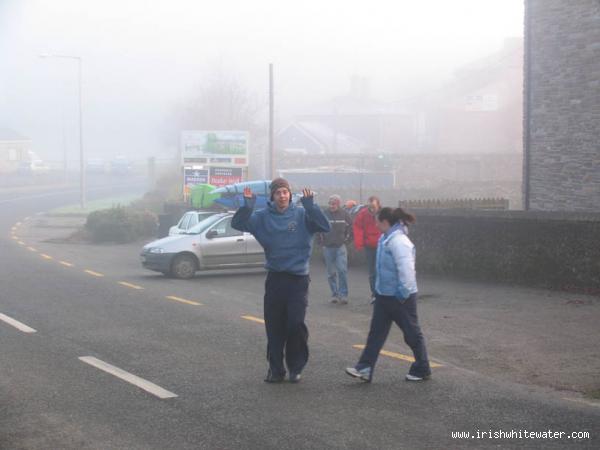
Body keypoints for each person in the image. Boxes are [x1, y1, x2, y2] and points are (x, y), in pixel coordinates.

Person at [231, 178, 330, 383]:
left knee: (295, 324)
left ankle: (295, 366)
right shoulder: (262, 217)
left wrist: (311, 205)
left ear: (290, 195)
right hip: (275, 278)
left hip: (298, 279)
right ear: (272, 196)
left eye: (285, 192)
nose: (282, 196)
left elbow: (324, 226)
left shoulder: (302, 214)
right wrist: (247, 205)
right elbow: (237, 223)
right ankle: (276, 369)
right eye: (278, 193)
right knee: (274, 327)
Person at [345, 207, 431, 382]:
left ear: (385, 222)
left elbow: (407, 271)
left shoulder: (399, 241)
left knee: (412, 333)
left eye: (377, 221)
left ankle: (422, 367)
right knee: (376, 334)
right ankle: (364, 368)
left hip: (399, 297)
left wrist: (402, 294)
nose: (375, 224)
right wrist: (379, 292)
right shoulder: (386, 238)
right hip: (384, 296)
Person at [318, 194, 353, 304]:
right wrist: (321, 242)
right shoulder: (324, 214)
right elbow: (319, 229)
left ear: (338, 204)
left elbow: (351, 228)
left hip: (340, 247)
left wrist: (346, 241)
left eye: (334, 204)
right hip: (328, 248)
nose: (331, 206)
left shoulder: (345, 214)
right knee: (331, 272)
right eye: (330, 204)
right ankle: (334, 294)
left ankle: (343, 295)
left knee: (342, 271)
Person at [353, 196, 382, 302]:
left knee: (381, 270)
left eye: (373, 207)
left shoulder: (383, 214)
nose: (372, 209)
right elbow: (358, 228)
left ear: (378, 205)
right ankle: (374, 294)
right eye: (370, 207)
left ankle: (381, 293)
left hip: (381, 245)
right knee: (372, 272)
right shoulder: (363, 214)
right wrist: (359, 244)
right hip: (369, 246)